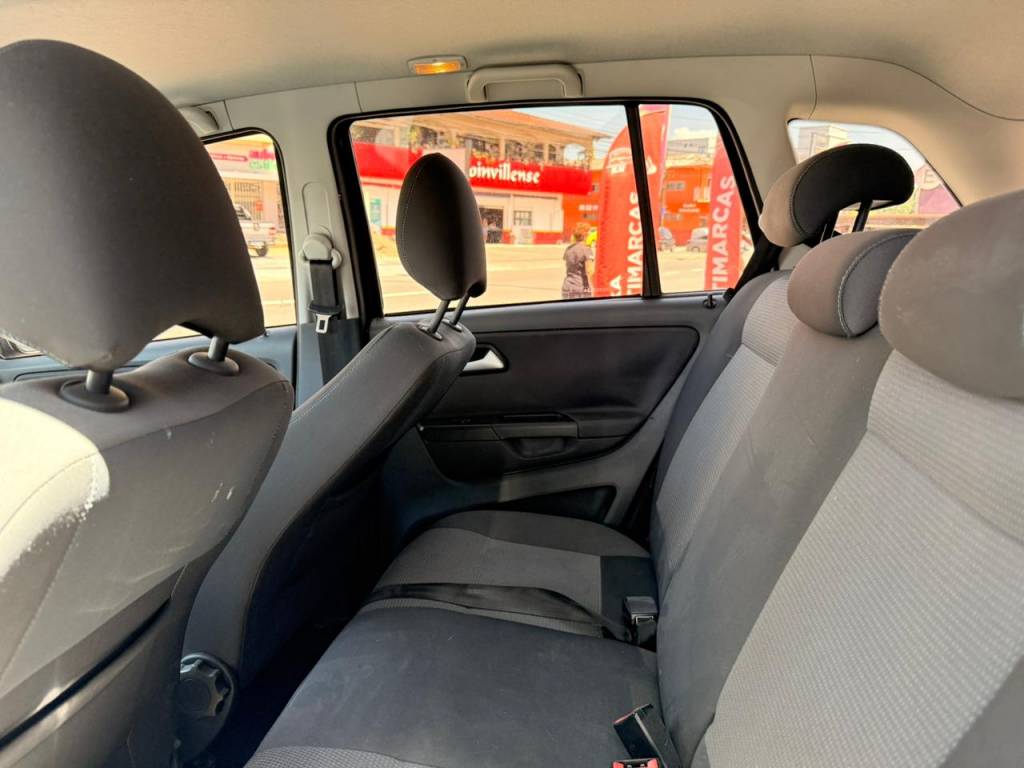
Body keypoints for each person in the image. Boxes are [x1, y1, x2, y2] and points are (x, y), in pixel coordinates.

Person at [561, 229, 594, 299]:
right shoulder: (586, 250)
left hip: (567, 285)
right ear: (585, 237)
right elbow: (590, 271)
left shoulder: (568, 249)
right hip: (581, 286)